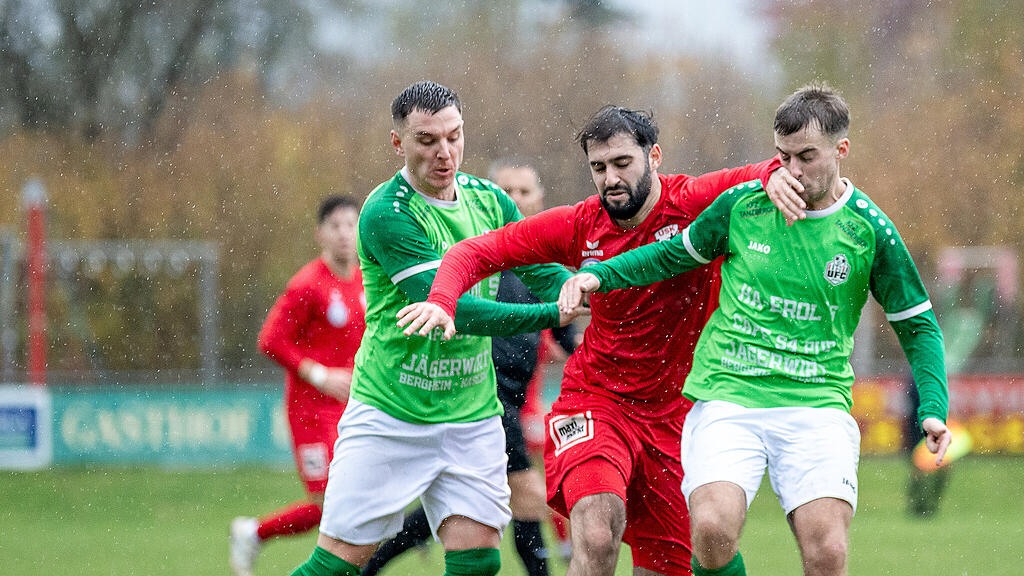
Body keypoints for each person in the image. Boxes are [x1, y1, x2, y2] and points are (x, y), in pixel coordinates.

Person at [557, 84, 952, 576]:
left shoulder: (869, 229)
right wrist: (601, 275)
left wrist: (933, 408)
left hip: (815, 401)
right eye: (783, 156)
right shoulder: (743, 206)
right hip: (729, 394)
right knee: (711, 531)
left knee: (827, 551)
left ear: (841, 149)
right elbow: (669, 254)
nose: (792, 170)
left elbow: (918, 326)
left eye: (806, 156)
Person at [397, 105, 804, 575]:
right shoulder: (581, 223)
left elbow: (757, 171)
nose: (610, 178)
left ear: (654, 157)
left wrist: (775, 175)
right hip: (597, 400)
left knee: (666, 564)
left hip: (677, 416)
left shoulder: (691, 201)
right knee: (595, 532)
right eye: (599, 167)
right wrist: (442, 300)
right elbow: (476, 251)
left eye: (622, 163)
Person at [289, 81, 580, 576]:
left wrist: (585, 288)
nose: (444, 152)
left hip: (471, 413)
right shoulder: (387, 213)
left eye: (454, 136)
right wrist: (552, 314)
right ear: (398, 142)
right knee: (336, 565)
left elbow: (538, 269)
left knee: (479, 559)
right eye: (427, 140)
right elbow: (457, 311)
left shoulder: (490, 200)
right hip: (392, 413)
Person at [362, 160, 576, 576]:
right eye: (506, 191)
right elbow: (462, 312)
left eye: (524, 192)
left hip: (513, 399)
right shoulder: (478, 258)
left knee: (462, 513)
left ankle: (371, 564)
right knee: (528, 496)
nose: (515, 199)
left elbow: (569, 336)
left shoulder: (540, 267)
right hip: (482, 395)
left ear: (540, 200)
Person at [230, 195, 366, 576]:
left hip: (351, 408)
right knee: (329, 504)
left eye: (351, 225)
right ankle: (254, 533)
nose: (344, 234)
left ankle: (253, 534)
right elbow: (270, 340)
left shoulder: (365, 282)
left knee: (351, 501)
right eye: (335, 226)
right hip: (310, 410)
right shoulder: (308, 284)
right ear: (320, 234)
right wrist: (320, 374)